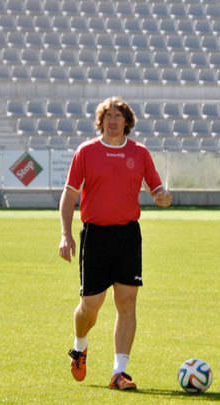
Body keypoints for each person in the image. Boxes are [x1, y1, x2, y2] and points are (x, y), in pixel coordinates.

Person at [58, 96, 171, 390]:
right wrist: (65, 234)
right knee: (91, 305)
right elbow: (70, 195)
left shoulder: (140, 153)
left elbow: (157, 188)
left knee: (127, 303)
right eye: (107, 115)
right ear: (101, 121)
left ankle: (119, 372)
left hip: (127, 236)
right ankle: (80, 346)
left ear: (126, 122)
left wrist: (163, 197)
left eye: (118, 116)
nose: (113, 121)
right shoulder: (86, 152)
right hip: (95, 235)